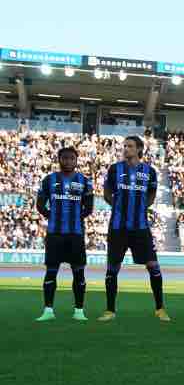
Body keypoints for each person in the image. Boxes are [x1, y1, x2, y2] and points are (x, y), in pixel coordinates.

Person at [100, 135, 169, 322]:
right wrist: (116, 204)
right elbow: (106, 192)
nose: (125, 149)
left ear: (139, 149)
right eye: (124, 146)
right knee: (112, 269)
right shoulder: (115, 169)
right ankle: (110, 310)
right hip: (117, 227)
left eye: (129, 146)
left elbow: (152, 193)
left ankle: (160, 308)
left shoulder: (150, 171)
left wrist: (142, 207)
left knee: (153, 266)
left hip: (140, 228)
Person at [35, 147, 92, 321]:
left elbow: (89, 208)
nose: (68, 161)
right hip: (54, 235)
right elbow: (40, 205)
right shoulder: (48, 180)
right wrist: (52, 216)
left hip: (75, 235)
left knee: (78, 273)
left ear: (76, 160)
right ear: (59, 159)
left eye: (71, 158)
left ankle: (79, 311)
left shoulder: (84, 181)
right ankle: (48, 310)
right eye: (64, 158)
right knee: (51, 272)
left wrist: (75, 217)